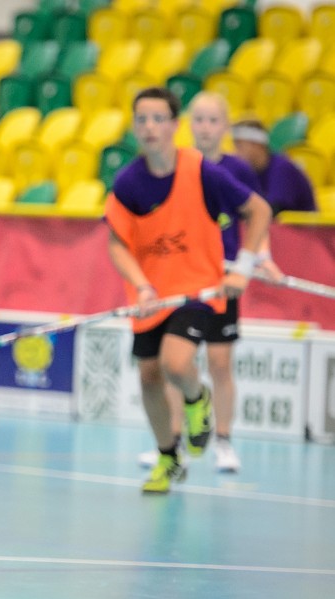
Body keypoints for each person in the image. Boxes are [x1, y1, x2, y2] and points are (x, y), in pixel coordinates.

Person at [105, 87, 272, 494]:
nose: (149, 127)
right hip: (152, 297)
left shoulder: (200, 170)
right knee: (149, 377)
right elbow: (117, 243)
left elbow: (259, 211)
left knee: (176, 364)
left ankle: (198, 402)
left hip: (198, 290)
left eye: (158, 119)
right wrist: (142, 286)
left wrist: (243, 269)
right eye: (142, 119)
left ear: (174, 126)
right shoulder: (128, 182)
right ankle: (168, 457)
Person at [140, 93, 283, 473]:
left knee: (220, 362)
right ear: (188, 125)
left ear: (225, 127)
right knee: (175, 362)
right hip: (184, 278)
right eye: (199, 120)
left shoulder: (237, 170)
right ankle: (173, 440)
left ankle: (223, 440)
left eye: (212, 121)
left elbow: (256, 217)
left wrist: (262, 259)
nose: (205, 128)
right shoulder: (176, 165)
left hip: (223, 279)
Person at [232, 118, 317, 215]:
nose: (235, 152)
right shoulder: (250, 171)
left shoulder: (282, 168)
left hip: (303, 224)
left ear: (256, 145)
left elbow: (274, 209)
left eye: (239, 146)